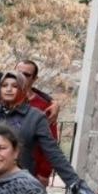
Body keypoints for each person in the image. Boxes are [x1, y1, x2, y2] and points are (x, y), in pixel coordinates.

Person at [0, 70, 80, 188]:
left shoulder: (35, 117)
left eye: (15, 86)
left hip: (22, 182)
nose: (8, 89)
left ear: (23, 89)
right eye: (4, 86)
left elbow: (53, 152)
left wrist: (76, 184)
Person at [16, 58, 61, 186]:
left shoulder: (44, 106)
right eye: (18, 72)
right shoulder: (1, 98)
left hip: (31, 171)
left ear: (34, 79)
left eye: (26, 74)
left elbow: (50, 142)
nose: (21, 77)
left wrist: (44, 172)